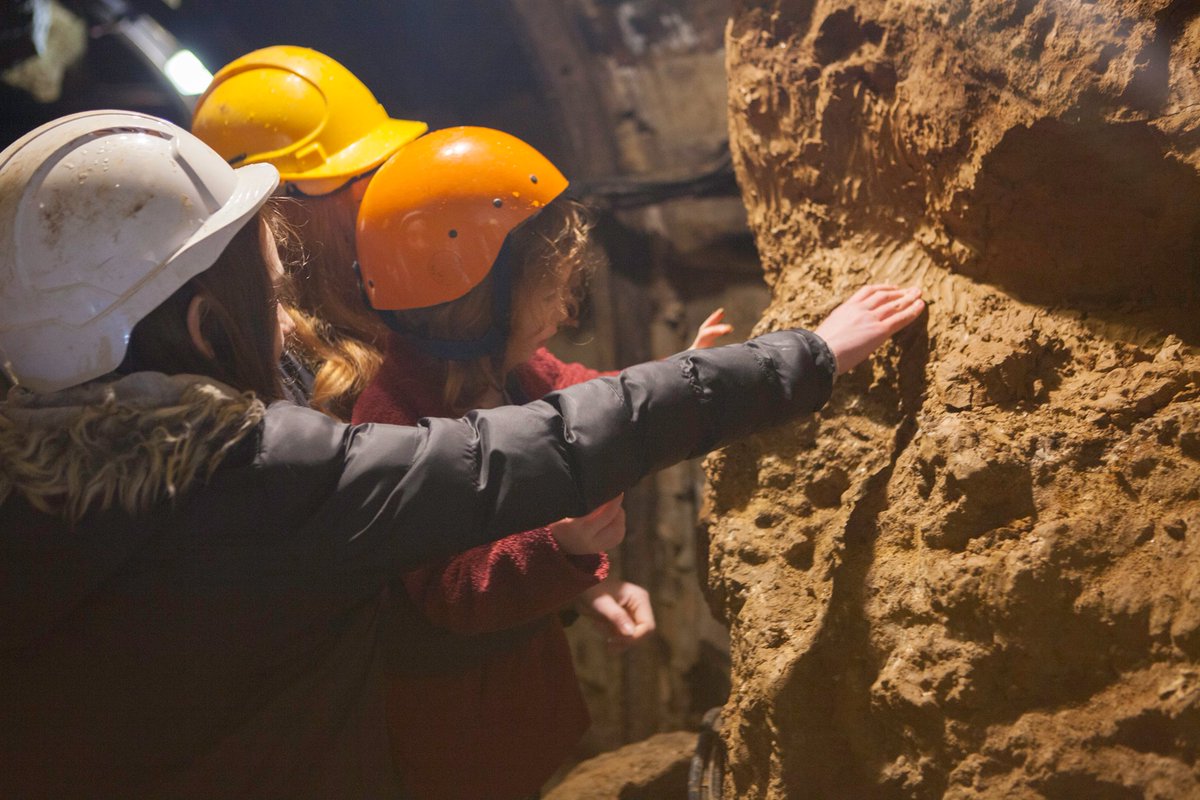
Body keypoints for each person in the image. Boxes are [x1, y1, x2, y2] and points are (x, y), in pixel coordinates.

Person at [0, 111, 923, 798]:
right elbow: (560, 440)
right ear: (208, 329)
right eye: (271, 296)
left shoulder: (40, 500)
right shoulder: (270, 480)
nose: (296, 319)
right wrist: (805, 355)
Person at [350, 126, 737, 799]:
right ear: (478, 299)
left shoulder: (510, 368)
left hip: (514, 707)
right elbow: (448, 590)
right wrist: (558, 548)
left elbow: (595, 399)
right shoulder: (391, 422)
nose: (565, 309)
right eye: (549, 290)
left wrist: (677, 378)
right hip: (453, 738)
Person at [192, 45, 428, 419]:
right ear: (277, 210)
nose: (373, 193)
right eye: (355, 176)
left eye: (378, 167)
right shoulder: (276, 370)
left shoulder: (400, 296)